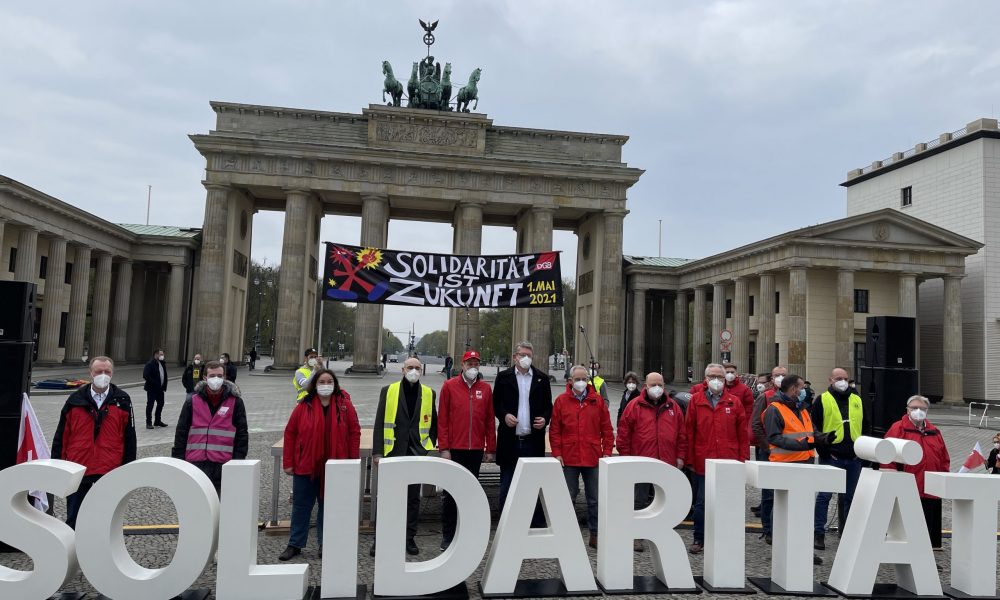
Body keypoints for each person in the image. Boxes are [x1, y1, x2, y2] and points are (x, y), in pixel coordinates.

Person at [278, 368, 360, 561]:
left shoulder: (345, 406)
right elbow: (290, 434)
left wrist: (353, 461)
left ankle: (325, 542)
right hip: (306, 464)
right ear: (315, 385)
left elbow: (354, 432)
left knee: (328, 506)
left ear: (335, 384)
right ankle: (295, 544)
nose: (325, 385)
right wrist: (288, 462)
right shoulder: (302, 406)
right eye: (321, 382)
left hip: (335, 464)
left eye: (329, 382)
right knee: (301, 506)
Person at [52, 357, 136, 529]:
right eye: (99, 371)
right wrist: (58, 466)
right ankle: (74, 554)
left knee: (106, 521)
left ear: (112, 374)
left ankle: (100, 554)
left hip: (109, 468)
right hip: (79, 468)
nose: (103, 375)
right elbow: (62, 436)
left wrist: (128, 470)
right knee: (74, 519)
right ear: (90, 373)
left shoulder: (122, 400)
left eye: (107, 372)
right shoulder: (75, 400)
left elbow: (130, 437)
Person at [371, 356, 438, 556]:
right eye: (410, 367)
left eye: (417, 368)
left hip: (416, 452)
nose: (414, 371)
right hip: (393, 452)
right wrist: (377, 452)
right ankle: (380, 539)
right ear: (402, 369)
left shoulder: (429, 393)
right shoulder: (388, 391)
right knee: (387, 498)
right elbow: (379, 422)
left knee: (412, 499)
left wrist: (427, 447)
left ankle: (409, 538)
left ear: (422, 371)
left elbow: (434, 423)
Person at [763, 373, 831, 565]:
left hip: (805, 465)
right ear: (793, 389)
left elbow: (811, 432)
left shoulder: (802, 410)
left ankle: (803, 551)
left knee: (803, 511)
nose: (803, 391)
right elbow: (774, 438)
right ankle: (780, 547)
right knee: (783, 509)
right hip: (786, 466)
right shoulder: (774, 409)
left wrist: (824, 439)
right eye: (801, 388)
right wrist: (804, 446)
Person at [617, 371, 686, 551]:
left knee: (664, 502)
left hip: (666, 461)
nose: (657, 388)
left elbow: (681, 434)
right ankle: (636, 536)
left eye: (660, 385)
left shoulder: (673, 407)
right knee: (639, 501)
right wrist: (626, 457)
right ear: (645, 386)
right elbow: (623, 434)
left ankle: (661, 534)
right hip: (641, 461)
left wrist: (680, 456)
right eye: (653, 384)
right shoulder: (634, 406)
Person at [684, 363, 748, 554]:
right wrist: (690, 460)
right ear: (706, 378)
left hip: (729, 460)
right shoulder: (696, 401)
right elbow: (689, 431)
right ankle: (699, 538)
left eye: (720, 377)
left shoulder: (734, 402)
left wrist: (743, 460)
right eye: (713, 376)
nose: (717, 380)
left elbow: (742, 434)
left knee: (727, 502)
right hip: (703, 460)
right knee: (702, 503)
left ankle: (725, 539)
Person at [549, 365, 614, 549]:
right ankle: (568, 535)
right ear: (570, 381)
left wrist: (607, 452)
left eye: (584, 379)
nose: (581, 382)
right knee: (569, 497)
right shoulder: (561, 401)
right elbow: (555, 430)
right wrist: (557, 453)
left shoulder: (598, 401)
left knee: (595, 498)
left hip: (593, 456)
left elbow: (607, 429)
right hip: (569, 456)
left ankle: (595, 534)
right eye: (577, 379)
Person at [437, 349, 495, 550]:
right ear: (462, 365)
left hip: (476, 449)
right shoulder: (449, 386)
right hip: (455, 449)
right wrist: (444, 447)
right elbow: (442, 420)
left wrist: (490, 448)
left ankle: (467, 533)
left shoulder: (486, 389)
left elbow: (489, 420)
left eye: (476, 363)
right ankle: (448, 535)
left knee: (471, 493)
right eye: (469, 363)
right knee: (451, 495)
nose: (473, 367)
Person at [493, 341, 552, 526]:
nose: (526, 358)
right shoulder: (503, 377)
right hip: (510, 440)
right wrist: (504, 415)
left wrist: (544, 419)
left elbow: (548, 407)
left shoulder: (542, 378)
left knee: (533, 485)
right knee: (507, 484)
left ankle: (534, 524)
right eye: (522, 354)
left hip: (532, 440)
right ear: (515, 357)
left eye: (529, 355)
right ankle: (506, 523)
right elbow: (496, 405)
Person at [811, 367, 869, 550]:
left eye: (844, 378)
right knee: (825, 496)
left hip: (853, 458)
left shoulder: (857, 399)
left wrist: (864, 453)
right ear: (830, 380)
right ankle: (818, 533)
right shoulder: (822, 400)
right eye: (838, 378)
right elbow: (816, 429)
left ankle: (848, 533)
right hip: (831, 456)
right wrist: (824, 451)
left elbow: (865, 425)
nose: (842, 381)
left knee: (851, 498)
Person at [882, 395, 950, 550]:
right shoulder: (898, 428)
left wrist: (942, 482)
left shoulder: (934, 431)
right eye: (914, 408)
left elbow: (944, 459)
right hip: (908, 487)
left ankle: (924, 557)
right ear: (907, 410)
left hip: (930, 490)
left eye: (922, 408)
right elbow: (887, 456)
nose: (918, 411)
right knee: (906, 525)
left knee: (926, 526)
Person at [171, 361, 249, 495]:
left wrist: (237, 462)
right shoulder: (192, 402)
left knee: (221, 508)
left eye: (219, 375)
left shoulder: (235, 402)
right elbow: (181, 433)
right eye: (212, 376)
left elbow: (242, 435)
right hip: (196, 464)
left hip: (223, 465)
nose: (216, 379)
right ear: (205, 378)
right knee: (196, 506)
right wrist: (179, 461)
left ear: (225, 378)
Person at [751, 365, 787, 543]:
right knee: (769, 494)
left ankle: (780, 527)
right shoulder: (765, 396)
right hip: (769, 451)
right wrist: (768, 448)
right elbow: (756, 425)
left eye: (783, 375)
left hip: (786, 452)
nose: (780, 378)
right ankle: (768, 529)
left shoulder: (794, 397)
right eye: (777, 375)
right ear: (772, 379)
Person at [142, 348, 169, 430]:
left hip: (160, 389)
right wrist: (154, 382)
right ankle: (148, 422)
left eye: (163, 354)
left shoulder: (162, 363)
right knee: (150, 405)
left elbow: (163, 374)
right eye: (160, 354)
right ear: (156, 354)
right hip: (152, 388)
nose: (162, 356)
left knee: (161, 403)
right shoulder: (150, 364)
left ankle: (157, 420)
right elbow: (146, 375)